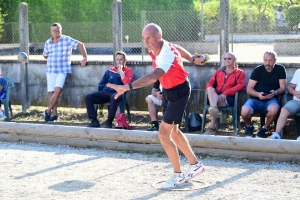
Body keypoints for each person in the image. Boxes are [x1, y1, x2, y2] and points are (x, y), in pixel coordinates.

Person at [107, 23, 206, 189]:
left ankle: (177, 175)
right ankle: (195, 165)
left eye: (149, 38)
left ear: (158, 37)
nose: (146, 42)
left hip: (178, 91)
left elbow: (154, 76)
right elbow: (177, 47)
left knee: (163, 134)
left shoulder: (165, 54)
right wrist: (193, 59)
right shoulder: (160, 45)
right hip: (168, 90)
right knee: (173, 131)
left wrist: (127, 87)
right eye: (144, 39)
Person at [43, 23, 88, 122]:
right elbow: (45, 55)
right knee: (52, 94)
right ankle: (54, 114)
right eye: (54, 30)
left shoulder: (66, 39)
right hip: (50, 70)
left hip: (62, 70)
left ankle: (47, 111)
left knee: (57, 91)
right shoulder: (48, 42)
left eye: (58, 30)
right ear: (51, 32)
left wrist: (84, 58)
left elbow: (80, 45)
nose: (56, 32)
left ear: (61, 30)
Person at [241, 51, 287, 138]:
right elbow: (249, 89)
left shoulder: (280, 69)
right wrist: (258, 94)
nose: (267, 63)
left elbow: (283, 87)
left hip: (271, 99)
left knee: (274, 109)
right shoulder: (258, 70)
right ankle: (250, 126)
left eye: (270, 60)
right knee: (244, 111)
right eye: (265, 60)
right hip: (255, 99)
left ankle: (265, 128)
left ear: (275, 60)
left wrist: (275, 92)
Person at [85, 51, 133, 128]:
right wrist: (99, 95)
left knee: (114, 97)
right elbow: (101, 84)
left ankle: (109, 122)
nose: (119, 61)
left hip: (117, 93)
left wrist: (120, 71)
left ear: (125, 60)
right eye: (117, 59)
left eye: (121, 59)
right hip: (105, 91)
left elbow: (127, 83)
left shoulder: (128, 71)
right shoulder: (110, 70)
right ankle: (94, 121)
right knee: (88, 97)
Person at [204, 52, 246, 135]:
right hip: (216, 96)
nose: (227, 60)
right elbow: (210, 83)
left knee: (213, 104)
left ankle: (212, 127)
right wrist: (211, 89)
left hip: (229, 98)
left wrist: (226, 93)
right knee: (209, 88)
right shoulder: (218, 72)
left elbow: (241, 85)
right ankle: (214, 108)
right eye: (225, 58)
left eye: (229, 58)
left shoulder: (239, 73)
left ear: (235, 60)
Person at [270, 69, 300, 140]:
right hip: (296, 101)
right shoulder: (298, 71)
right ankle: (276, 134)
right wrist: (295, 93)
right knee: (284, 109)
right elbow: (290, 88)